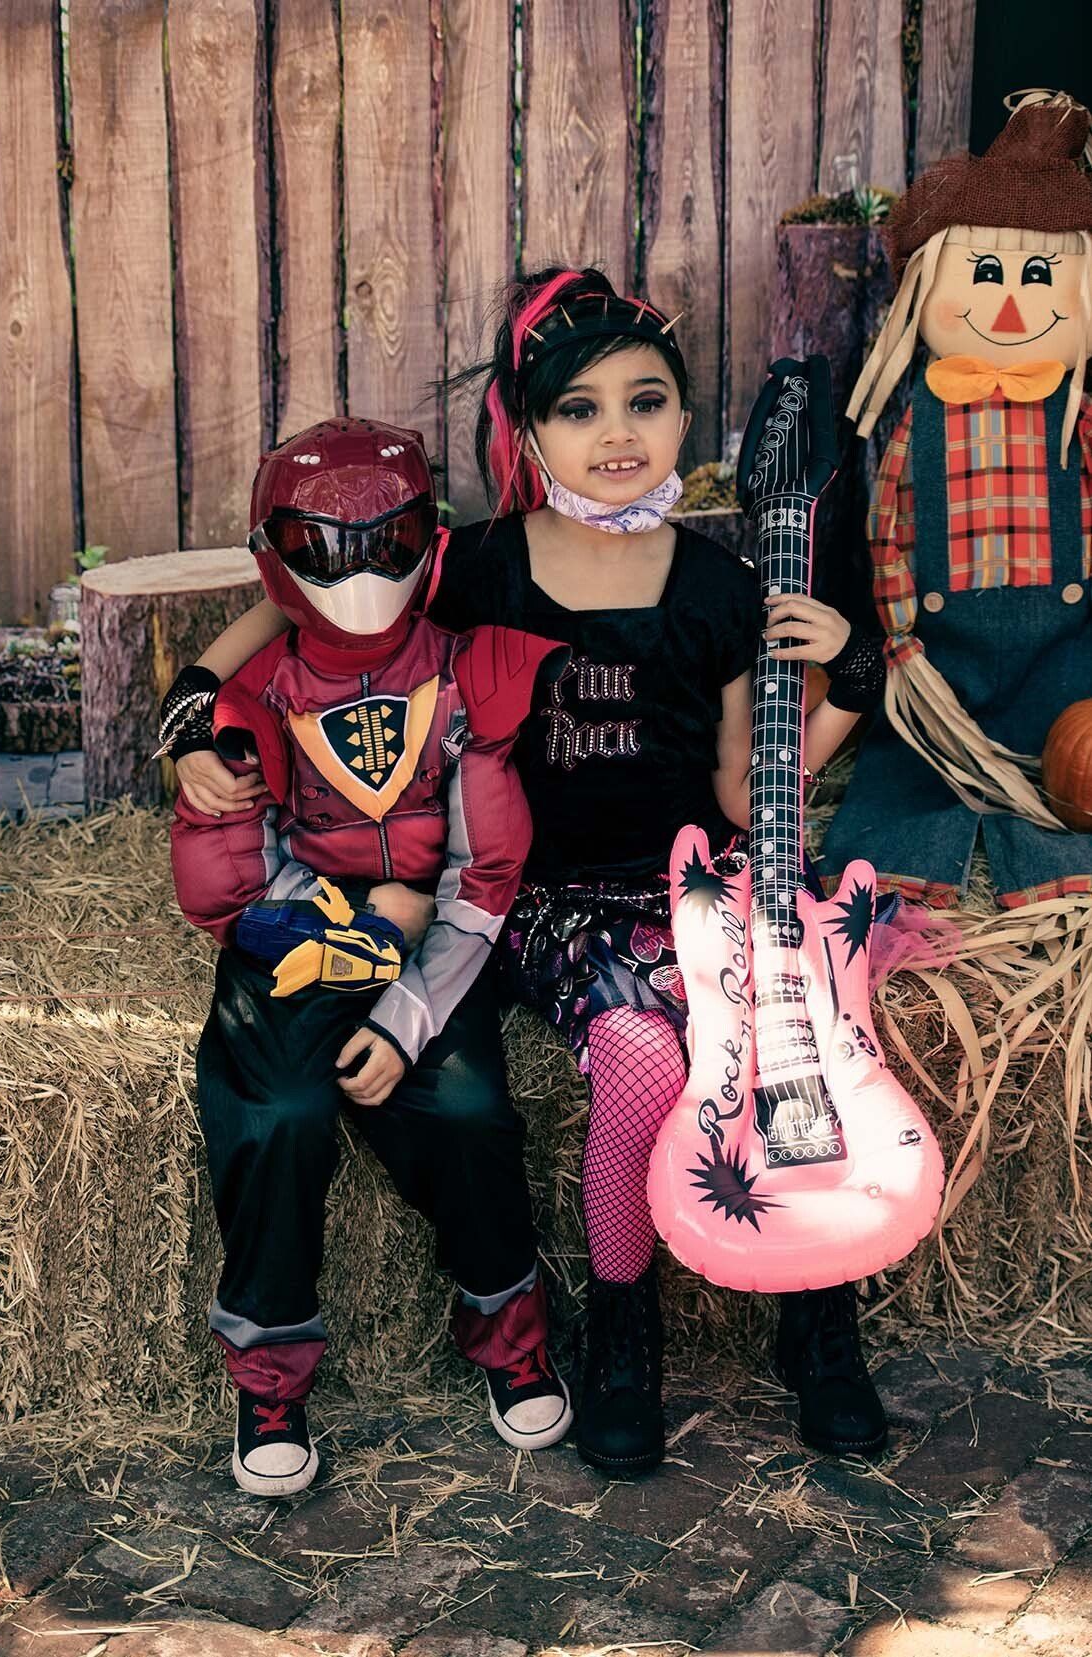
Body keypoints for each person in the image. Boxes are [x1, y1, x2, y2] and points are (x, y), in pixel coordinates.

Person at [167, 271, 888, 1471]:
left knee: (778, 1030)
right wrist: (198, 707)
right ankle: (620, 1326)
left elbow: (733, 787)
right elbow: (297, 617)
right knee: (645, 1049)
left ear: (679, 422)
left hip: (689, 879)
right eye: (578, 409)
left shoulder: (717, 585)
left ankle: (815, 1317)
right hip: (540, 897)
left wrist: (851, 682)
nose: (616, 434)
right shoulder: (479, 565)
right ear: (526, 427)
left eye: (645, 403)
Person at [168, 416, 572, 1499]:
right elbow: (223, 890)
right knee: (274, 1118)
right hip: (293, 942)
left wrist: (402, 1008)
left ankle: (506, 1327)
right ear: (277, 559)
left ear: (428, 541)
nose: (359, 575)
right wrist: (357, 927)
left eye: (386, 541)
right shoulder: (251, 703)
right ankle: (268, 1372)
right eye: (322, 548)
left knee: (471, 1109)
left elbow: (485, 875)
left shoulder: (468, 675)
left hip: (436, 947)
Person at [821, 89, 1092, 908]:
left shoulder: (1079, 418)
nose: (1009, 303)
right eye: (984, 273)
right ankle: (904, 867)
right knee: (911, 779)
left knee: (1062, 789)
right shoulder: (917, 419)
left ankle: (1053, 871)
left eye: (1040, 277)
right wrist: (899, 638)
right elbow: (890, 533)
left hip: (1064, 656)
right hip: (943, 660)